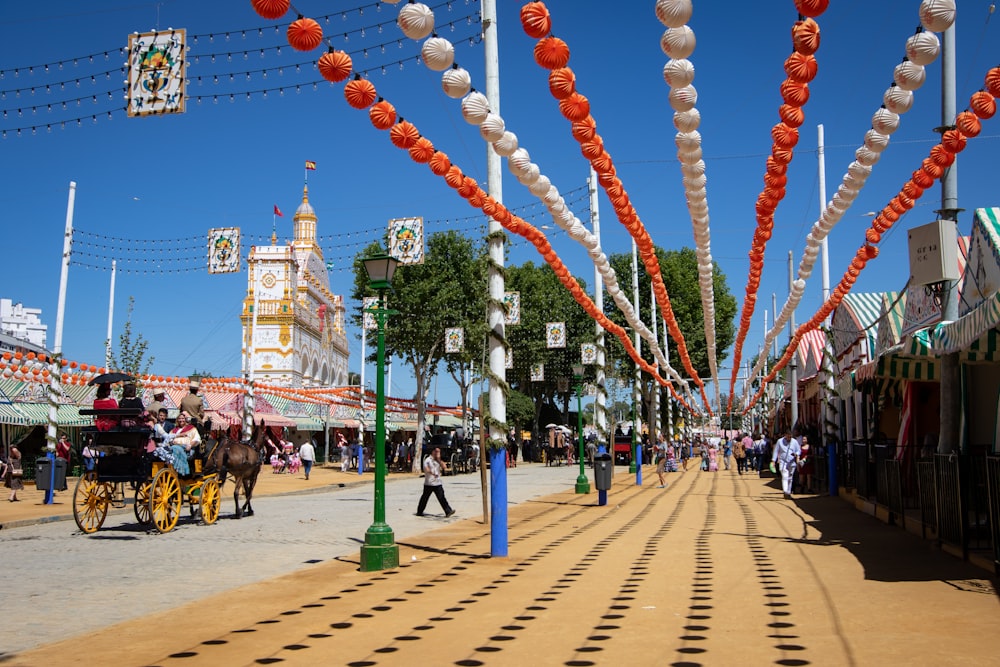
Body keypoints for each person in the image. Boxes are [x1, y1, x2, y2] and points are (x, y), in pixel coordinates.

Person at [416, 446, 456, 518]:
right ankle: (419, 511)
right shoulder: (428, 460)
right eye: (437, 452)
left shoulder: (438, 460)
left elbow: (444, 467)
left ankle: (448, 511)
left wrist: (439, 459)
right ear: (433, 452)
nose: (438, 453)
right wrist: (432, 473)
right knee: (425, 498)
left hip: (437, 483)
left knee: (442, 497)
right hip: (429, 483)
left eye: (439, 452)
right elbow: (426, 469)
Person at [772, 428, 802, 499]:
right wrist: (773, 460)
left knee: (790, 477)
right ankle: (785, 491)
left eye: (790, 436)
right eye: (788, 436)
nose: (789, 438)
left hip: (792, 462)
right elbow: (776, 451)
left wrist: (796, 454)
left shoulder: (794, 442)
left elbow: (799, 450)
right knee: (785, 476)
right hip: (783, 461)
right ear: (785, 435)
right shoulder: (779, 441)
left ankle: (788, 491)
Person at [169, 411, 201, 476]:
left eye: (183, 418)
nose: (181, 420)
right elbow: (169, 438)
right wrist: (171, 442)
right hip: (174, 447)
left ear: (185, 419)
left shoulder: (192, 428)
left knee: (175, 448)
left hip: (186, 449)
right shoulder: (174, 430)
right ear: (177, 420)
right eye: (179, 418)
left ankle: (181, 470)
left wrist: (190, 445)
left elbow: (196, 438)